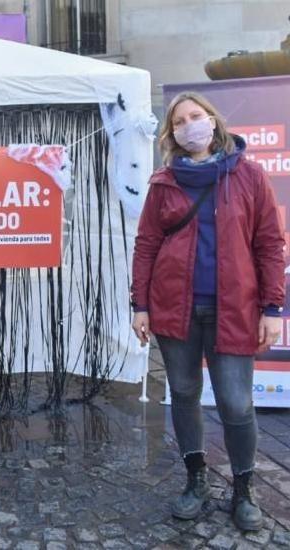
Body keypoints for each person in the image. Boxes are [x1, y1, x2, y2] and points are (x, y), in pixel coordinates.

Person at [131, 91, 284, 531]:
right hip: (174, 308)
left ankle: (243, 487)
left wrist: (272, 306)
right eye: (179, 121)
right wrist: (140, 303)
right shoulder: (164, 183)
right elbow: (147, 245)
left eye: (195, 116)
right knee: (183, 394)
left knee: (237, 403)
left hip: (234, 308)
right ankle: (196, 479)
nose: (188, 125)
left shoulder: (249, 176)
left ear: (213, 121)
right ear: (172, 133)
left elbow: (269, 244)